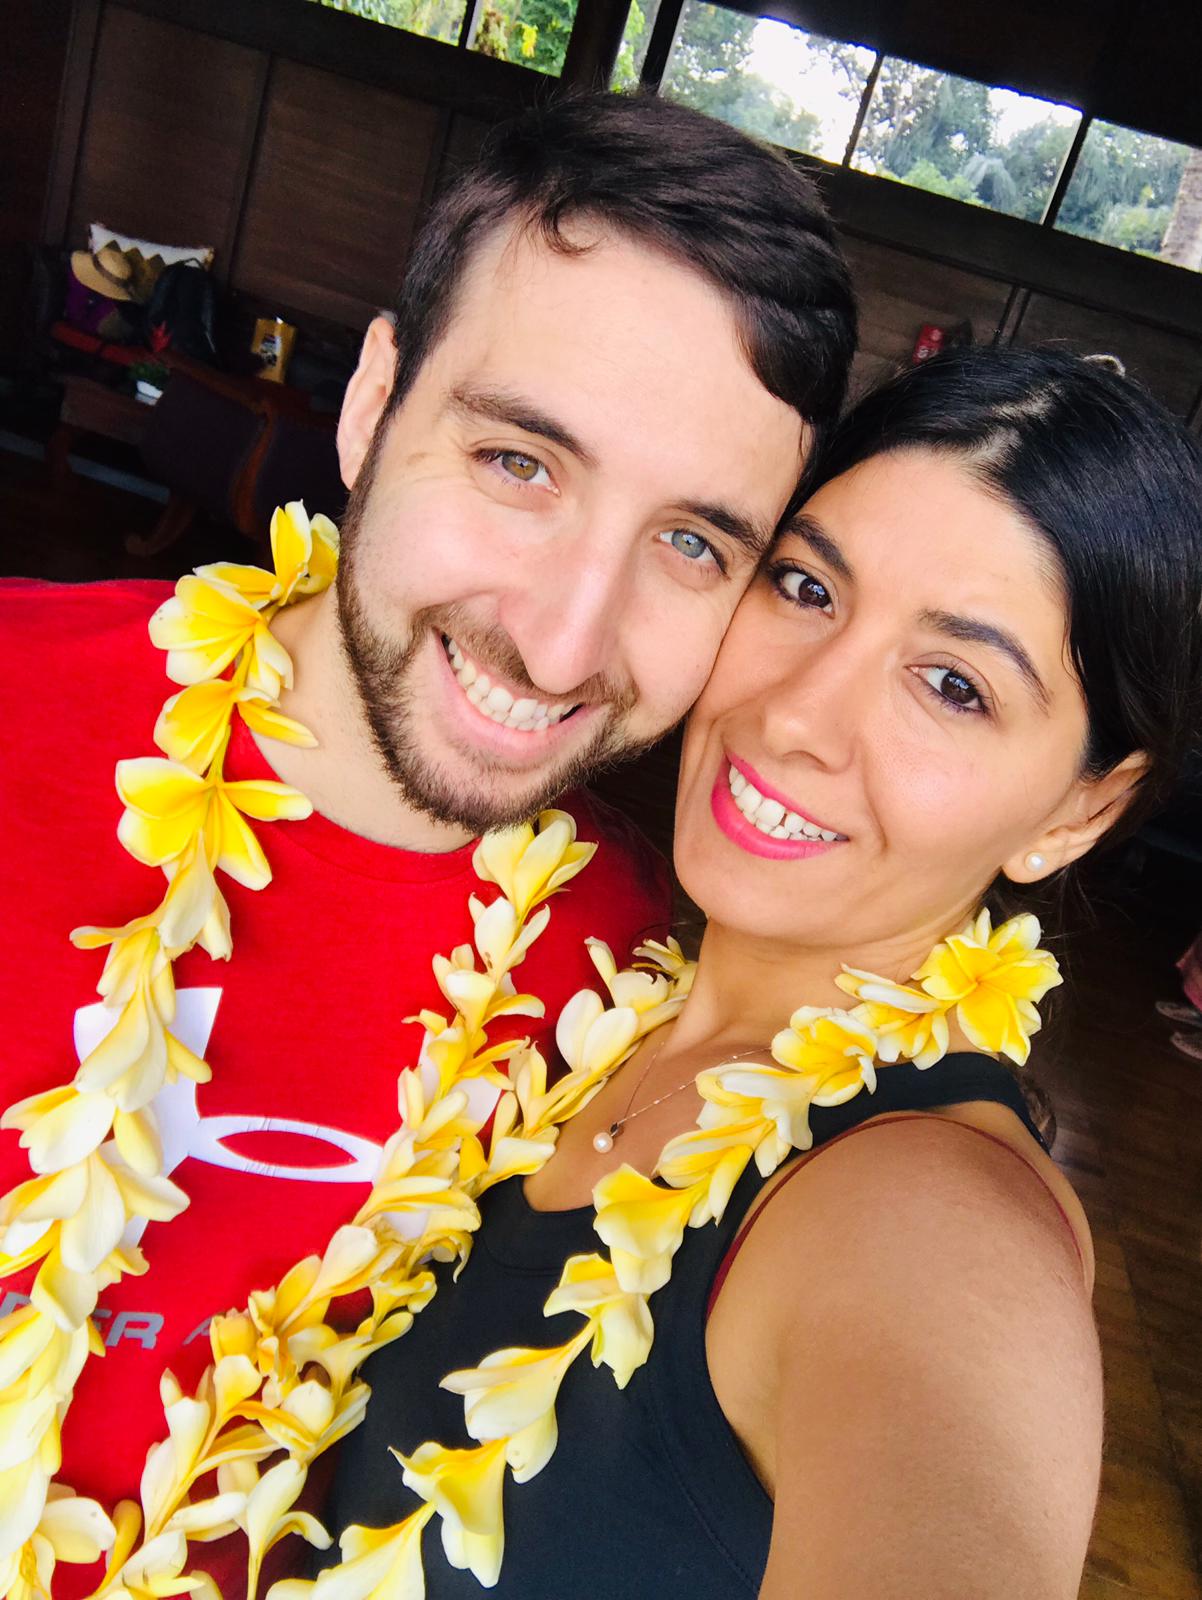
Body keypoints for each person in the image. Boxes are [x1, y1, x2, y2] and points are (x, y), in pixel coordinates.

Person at [0, 94, 856, 1589]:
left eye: (689, 543)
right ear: (371, 403)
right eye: (520, 463)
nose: (562, 641)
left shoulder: (637, 1006)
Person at [321, 346, 1202, 1598]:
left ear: (1079, 809)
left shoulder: (930, 1228)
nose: (795, 715)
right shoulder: (574, 970)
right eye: (803, 586)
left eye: (952, 685)